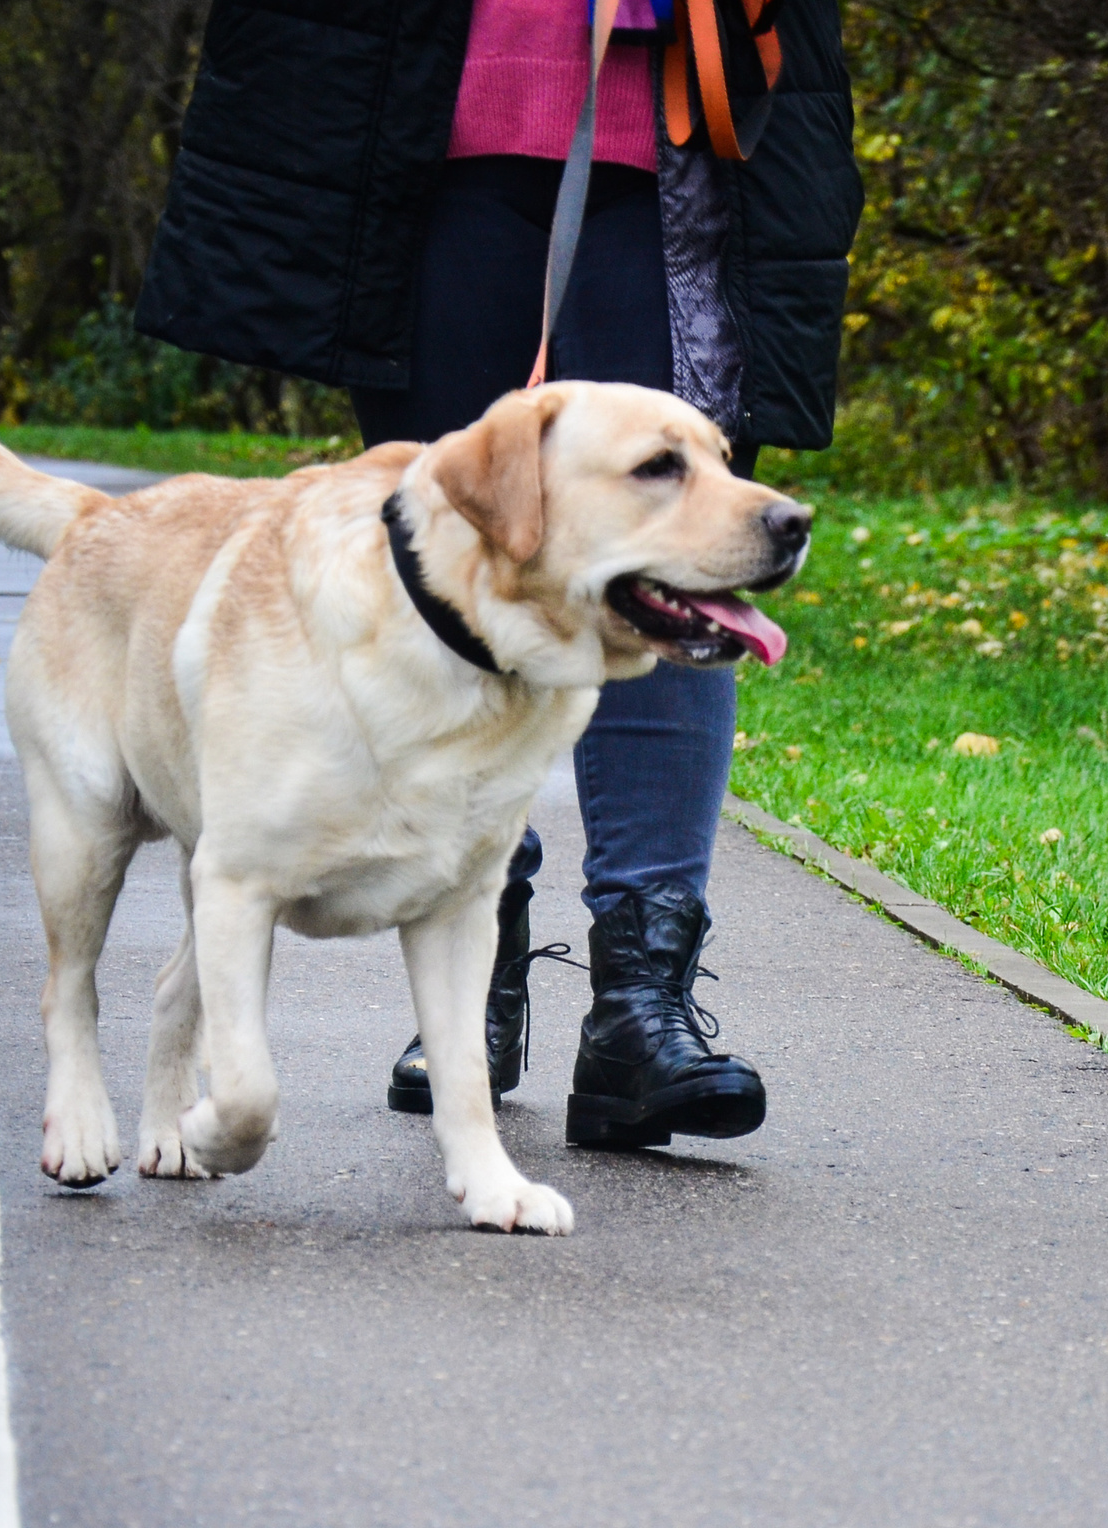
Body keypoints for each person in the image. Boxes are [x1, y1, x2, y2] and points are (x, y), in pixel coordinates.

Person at [133, 0, 860, 1146]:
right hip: (414, 127)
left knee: (671, 553)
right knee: (461, 566)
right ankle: (476, 995)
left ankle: (640, 1004)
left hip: (679, 143)